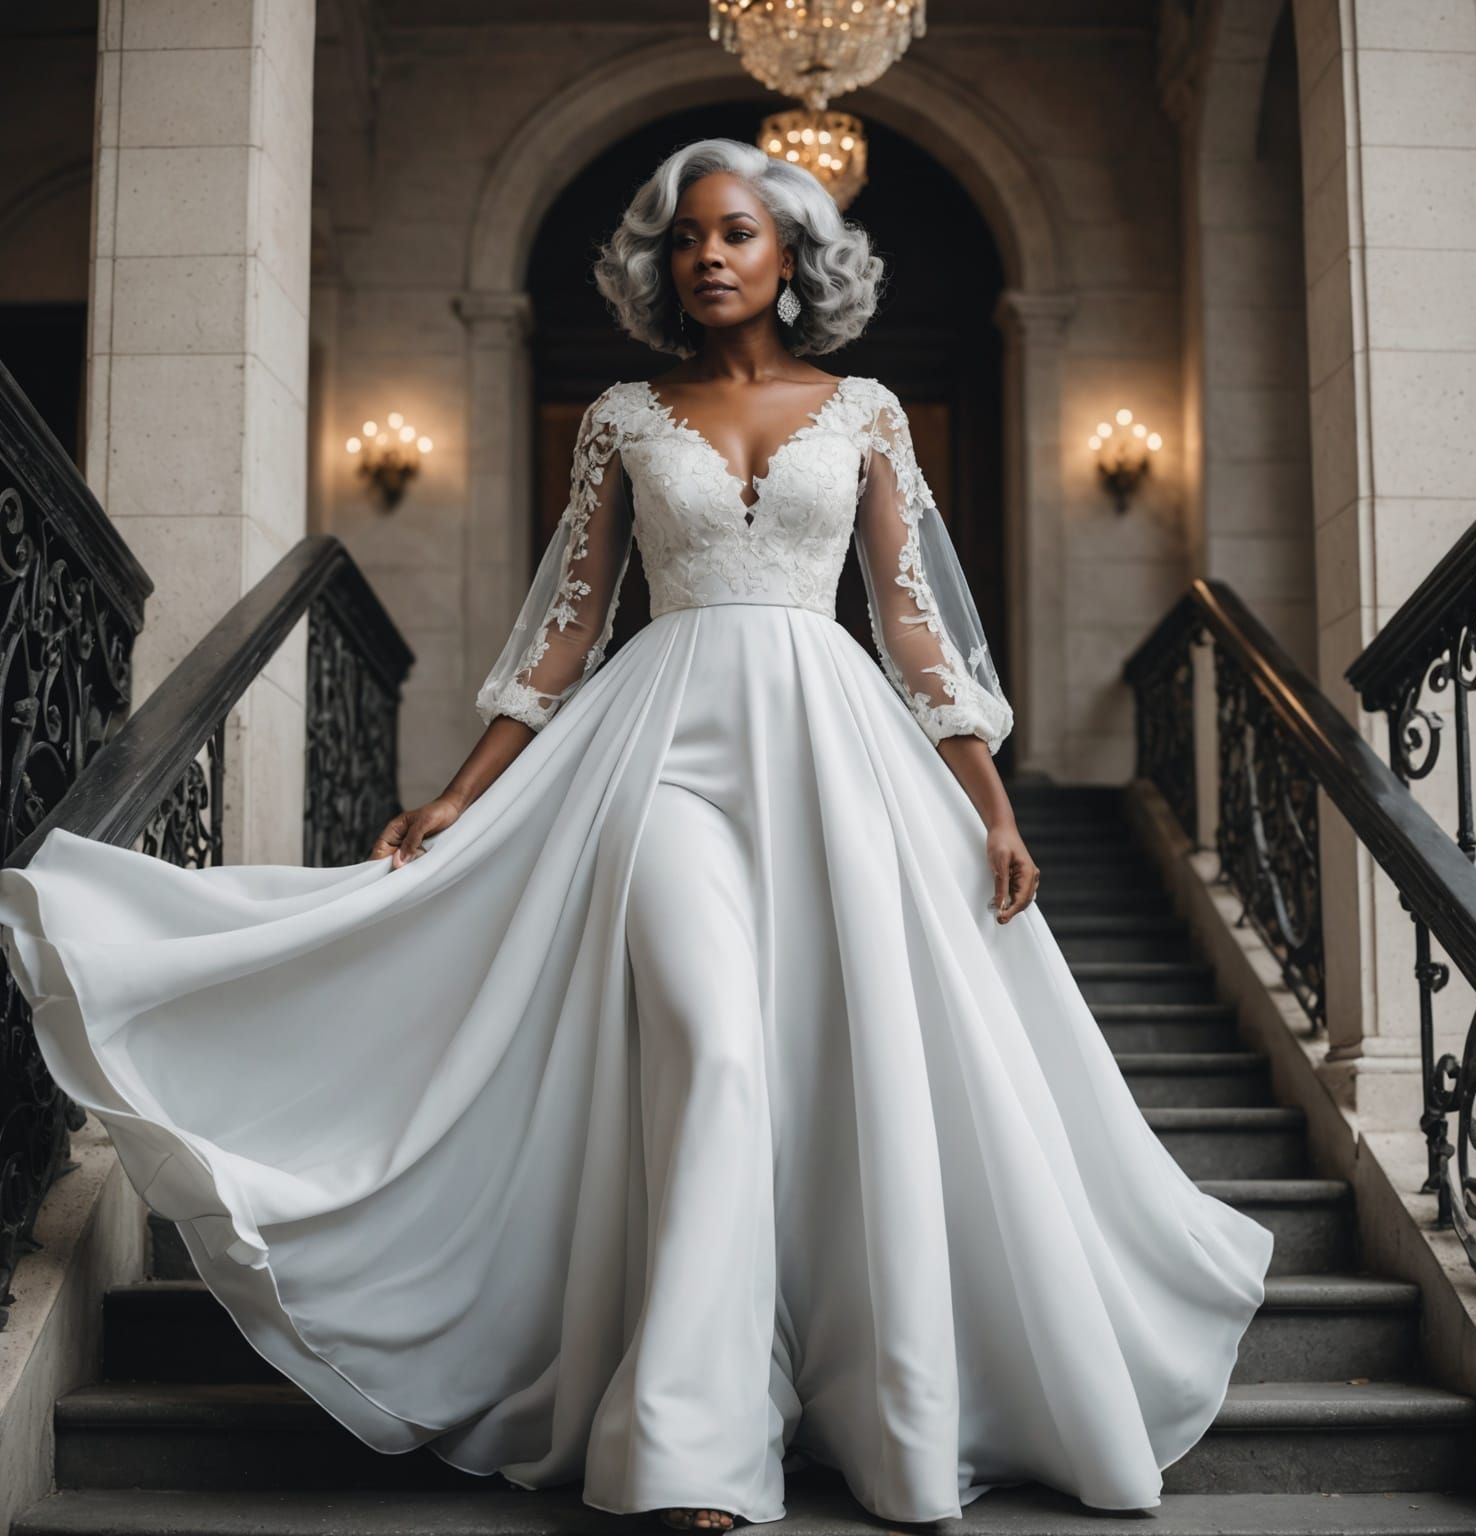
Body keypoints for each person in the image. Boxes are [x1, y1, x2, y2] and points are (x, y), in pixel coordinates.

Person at [0, 138, 1273, 1533]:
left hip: (836, 754)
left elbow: (910, 623)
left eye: (735, 234)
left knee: (836, 1070)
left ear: (794, 258)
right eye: (683, 240)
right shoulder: (619, 414)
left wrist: (989, 798)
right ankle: (692, 1443)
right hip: (660, 751)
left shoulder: (866, 411)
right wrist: (461, 794)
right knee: (716, 1048)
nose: (706, 257)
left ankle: (856, 1396)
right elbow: (564, 633)